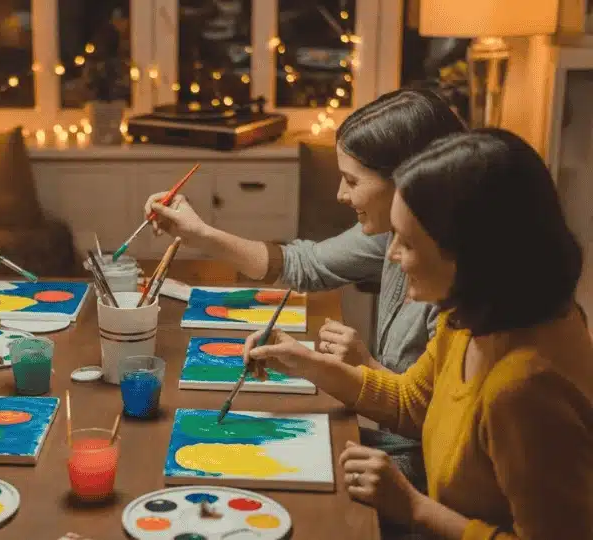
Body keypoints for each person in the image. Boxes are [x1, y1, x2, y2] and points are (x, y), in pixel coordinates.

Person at [245, 128, 593, 539]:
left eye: (407, 243)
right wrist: (306, 364)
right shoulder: (468, 318)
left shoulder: (524, 390)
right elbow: (412, 403)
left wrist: (414, 508)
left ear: (468, 255)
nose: (392, 256)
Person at [143, 88, 466, 490]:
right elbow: (305, 264)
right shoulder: (395, 234)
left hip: (422, 469)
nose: (340, 194)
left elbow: (435, 425)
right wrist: (200, 234)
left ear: (409, 182)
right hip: (394, 442)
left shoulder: (458, 286)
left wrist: (362, 363)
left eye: (351, 180)